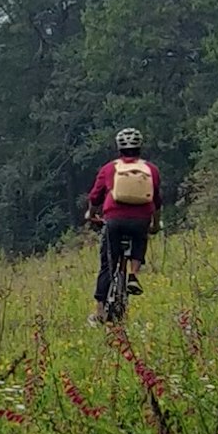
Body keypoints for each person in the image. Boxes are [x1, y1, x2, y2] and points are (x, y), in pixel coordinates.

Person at [81, 127, 161, 322]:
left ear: (118, 148)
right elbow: (157, 200)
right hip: (141, 219)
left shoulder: (109, 169)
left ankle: (100, 311)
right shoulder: (151, 169)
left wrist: (91, 215)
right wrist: (155, 223)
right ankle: (133, 274)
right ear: (140, 147)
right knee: (140, 240)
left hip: (114, 219)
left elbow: (95, 196)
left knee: (107, 265)